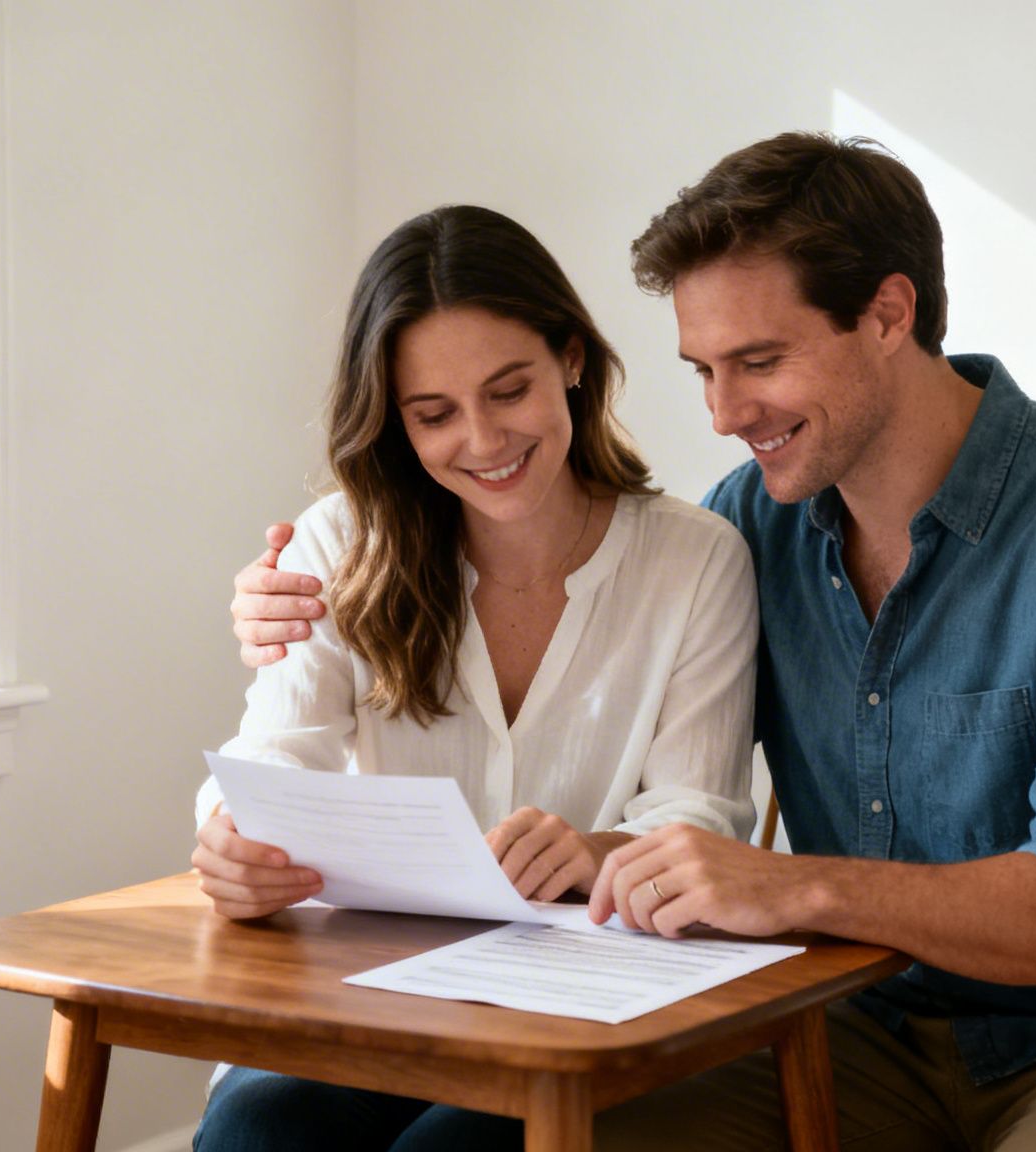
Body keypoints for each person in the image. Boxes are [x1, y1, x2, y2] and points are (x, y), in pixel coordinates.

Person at [230, 134, 1036, 1152]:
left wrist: (795, 889)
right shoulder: (750, 529)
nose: (720, 411)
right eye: (701, 368)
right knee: (503, 1139)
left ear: (887, 314)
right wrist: (291, 611)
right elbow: (658, 746)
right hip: (857, 1024)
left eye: (755, 361)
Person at [192, 204, 759, 1152]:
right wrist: (232, 845)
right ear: (394, 420)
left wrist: (597, 850)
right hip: (363, 993)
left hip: (578, 1009)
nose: (484, 440)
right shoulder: (340, 542)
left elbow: (701, 816)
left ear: (571, 358)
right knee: (258, 1128)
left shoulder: (696, 560)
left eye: (509, 390)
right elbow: (269, 761)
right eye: (434, 414)